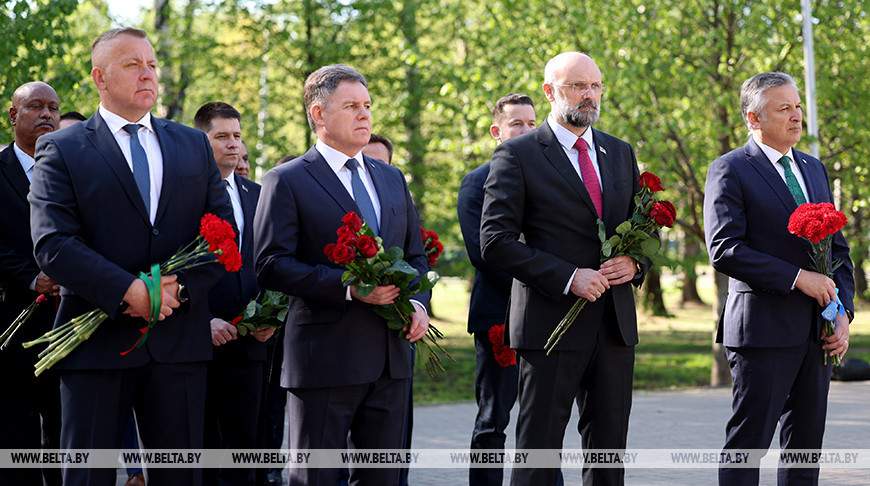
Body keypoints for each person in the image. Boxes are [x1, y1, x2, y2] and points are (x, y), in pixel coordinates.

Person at [28, 27, 234, 486]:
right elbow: (53, 243)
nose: (148, 74)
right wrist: (130, 292)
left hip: (179, 344)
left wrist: (174, 290)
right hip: (96, 347)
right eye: (132, 64)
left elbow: (223, 235)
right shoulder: (63, 147)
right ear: (100, 77)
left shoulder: (192, 144)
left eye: (153, 64)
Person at [254, 64, 430, 486]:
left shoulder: (391, 179)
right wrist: (350, 289)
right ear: (318, 114)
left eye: (367, 105)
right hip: (324, 361)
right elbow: (270, 264)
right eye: (351, 106)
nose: (365, 114)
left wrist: (419, 303)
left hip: (390, 360)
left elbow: (416, 256)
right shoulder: (288, 179)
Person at [480, 52, 647, 486]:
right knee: (538, 456)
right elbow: (494, 242)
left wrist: (635, 263)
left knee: (609, 455)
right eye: (577, 86)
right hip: (549, 326)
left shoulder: (620, 152)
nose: (589, 95)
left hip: (614, 327)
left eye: (595, 86)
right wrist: (569, 277)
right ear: (550, 91)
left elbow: (641, 230)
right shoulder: (517, 155)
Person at [704, 72, 854, 485]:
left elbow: (837, 251)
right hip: (763, 332)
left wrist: (844, 314)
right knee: (748, 446)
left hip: (817, 332)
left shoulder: (813, 168)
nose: (796, 116)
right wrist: (797, 278)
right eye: (783, 108)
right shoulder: (730, 168)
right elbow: (724, 248)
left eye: (798, 106)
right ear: (753, 118)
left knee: (805, 448)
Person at [458, 93, 536, 486]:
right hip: (498, 315)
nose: (525, 131)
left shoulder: (548, 176)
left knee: (541, 421)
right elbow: (484, 254)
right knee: (494, 418)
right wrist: (548, 282)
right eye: (516, 124)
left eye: (531, 124)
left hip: (548, 318)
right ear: (497, 132)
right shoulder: (476, 183)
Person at [195, 101, 269, 486]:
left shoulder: (257, 194)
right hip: (200, 340)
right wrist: (202, 318)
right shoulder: (184, 193)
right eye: (221, 136)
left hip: (251, 342)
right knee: (204, 448)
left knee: (246, 448)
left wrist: (271, 318)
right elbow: (176, 265)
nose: (233, 145)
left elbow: (271, 262)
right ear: (200, 141)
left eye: (237, 136)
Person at [0, 81, 62, 486]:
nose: (47, 115)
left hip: (69, 323)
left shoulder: (75, 167)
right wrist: (30, 276)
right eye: (36, 106)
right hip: (12, 320)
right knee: (15, 432)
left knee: (63, 430)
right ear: (13, 116)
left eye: (54, 108)